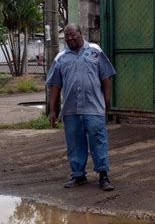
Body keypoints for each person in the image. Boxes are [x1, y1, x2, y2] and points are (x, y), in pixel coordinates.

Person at [46, 24, 116, 191]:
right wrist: (52, 110)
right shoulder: (60, 58)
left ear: (81, 33)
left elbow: (106, 76)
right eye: (67, 37)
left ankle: (103, 176)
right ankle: (78, 175)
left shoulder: (95, 51)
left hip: (94, 107)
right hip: (71, 110)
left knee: (98, 141)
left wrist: (107, 101)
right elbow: (55, 85)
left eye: (72, 35)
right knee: (75, 143)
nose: (69, 38)